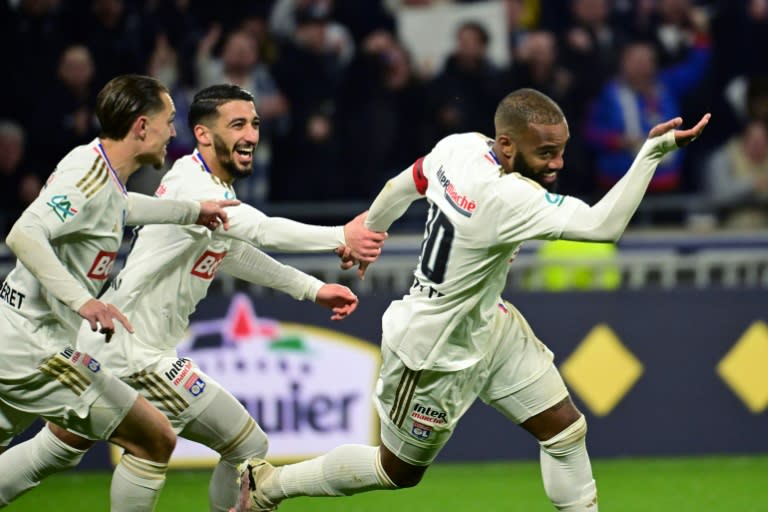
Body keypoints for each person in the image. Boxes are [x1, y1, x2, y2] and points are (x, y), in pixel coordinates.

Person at [233, 88, 710, 512]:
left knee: (565, 432)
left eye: (561, 151)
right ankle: (269, 485)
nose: (557, 163)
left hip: (488, 323)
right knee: (396, 471)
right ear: (506, 145)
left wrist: (371, 229)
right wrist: (651, 152)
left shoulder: (458, 148)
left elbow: (404, 186)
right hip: (433, 349)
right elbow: (604, 227)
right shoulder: (506, 198)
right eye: (545, 153)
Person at [73, 84, 384, 512]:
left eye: (255, 124)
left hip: (118, 343)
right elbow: (259, 229)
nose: (251, 135)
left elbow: (234, 253)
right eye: (237, 124)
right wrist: (339, 236)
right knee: (242, 446)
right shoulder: (192, 183)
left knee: (55, 450)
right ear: (203, 134)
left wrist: (312, 289)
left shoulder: (211, 188)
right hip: (131, 349)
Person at [0, 74, 237, 511]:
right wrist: (84, 301)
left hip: (17, 337)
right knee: (154, 438)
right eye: (168, 120)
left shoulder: (98, 170)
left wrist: (192, 211)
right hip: (33, 346)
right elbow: (23, 235)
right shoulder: (87, 177)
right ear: (141, 127)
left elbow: (123, 207)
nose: (174, 132)